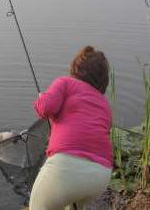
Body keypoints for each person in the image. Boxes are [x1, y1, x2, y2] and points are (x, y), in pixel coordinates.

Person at [29, 46, 112, 210]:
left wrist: (41, 99)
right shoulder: (105, 104)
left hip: (65, 169)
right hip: (100, 175)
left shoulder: (66, 82)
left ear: (76, 70)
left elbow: (46, 108)